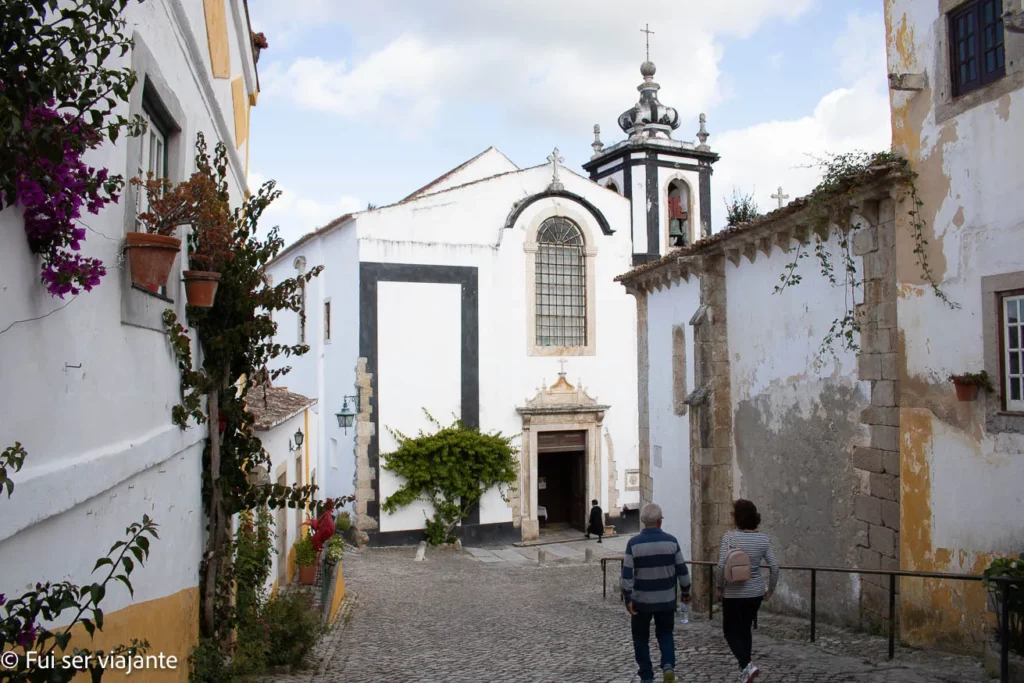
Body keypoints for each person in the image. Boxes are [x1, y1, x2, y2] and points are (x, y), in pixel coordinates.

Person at [621, 503, 690, 683]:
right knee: (665, 633)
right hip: (666, 599)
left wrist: (627, 597)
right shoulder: (671, 542)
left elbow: (626, 573)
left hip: (641, 600)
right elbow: (682, 571)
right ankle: (668, 665)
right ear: (660, 521)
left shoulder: (633, 544)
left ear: (643, 521)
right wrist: (685, 591)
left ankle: (646, 675)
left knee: (640, 638)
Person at [715, 499, 779, 682]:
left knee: (729, 631)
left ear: (738, 518)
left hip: (733, 593)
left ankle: (746, 665)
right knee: (745, 629)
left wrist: (719, 587)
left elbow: (721, 567)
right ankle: (746, 670)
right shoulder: (763, 539)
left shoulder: (730, 538)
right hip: (755, 592)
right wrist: (770, 590)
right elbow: (774, 567)